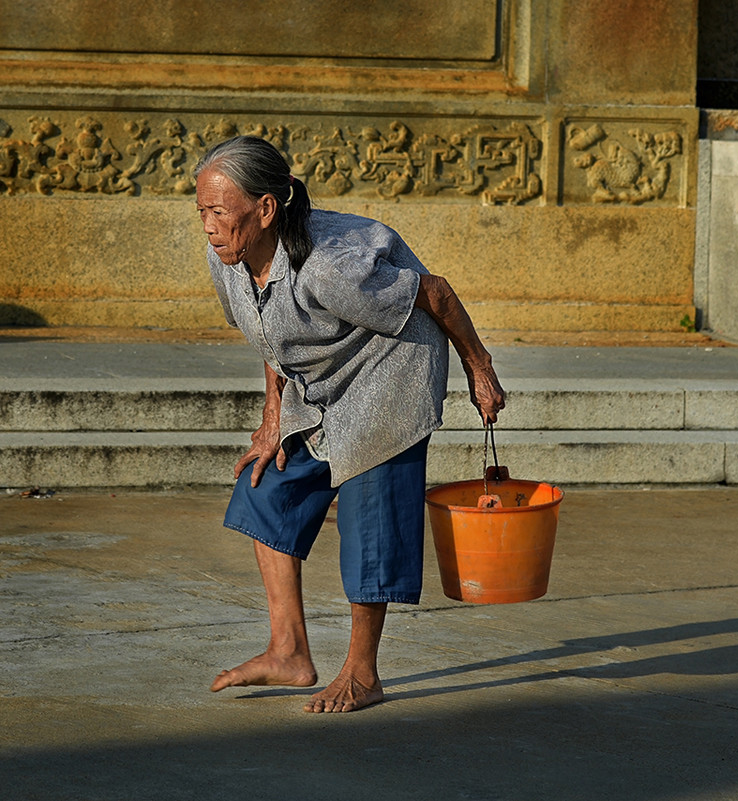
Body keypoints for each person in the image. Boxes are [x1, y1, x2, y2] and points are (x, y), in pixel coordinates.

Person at [194, 135, 505, 713]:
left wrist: (479, 368)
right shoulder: (229, 260)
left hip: (391, 367)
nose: (209, 227)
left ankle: (363, 673)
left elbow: (433, 293)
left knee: (372, 516)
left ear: (265, 209)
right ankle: (288, 651)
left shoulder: (330, 266)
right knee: (266, 487)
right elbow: (269, 333)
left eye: (219, 211)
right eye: (201, 213)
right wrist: (271, 421)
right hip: (323, 376)